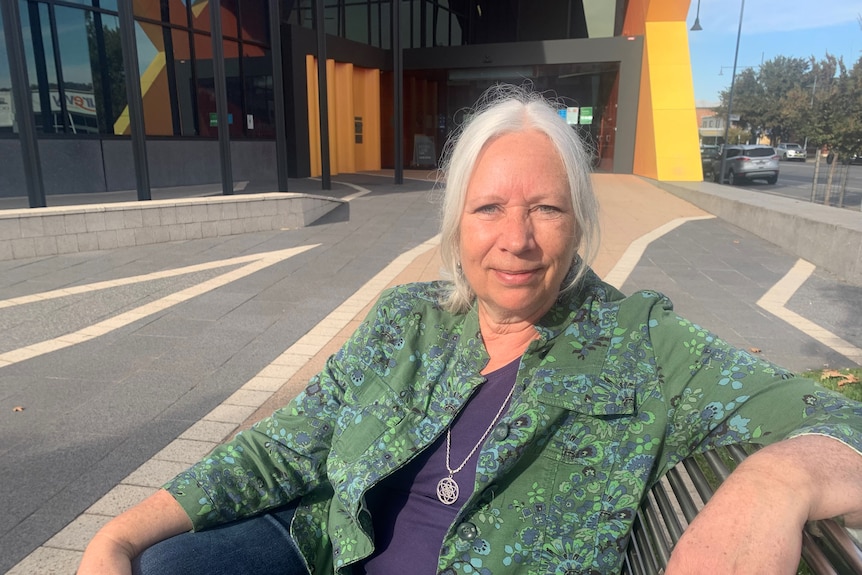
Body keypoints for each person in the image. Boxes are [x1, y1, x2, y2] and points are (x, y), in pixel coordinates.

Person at [78, 85, 862, 575]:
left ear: (580, 221)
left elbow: (844, 419)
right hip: (328, 549)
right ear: (457, 226)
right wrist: (115, 535)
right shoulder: (405, 320)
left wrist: (775, 480)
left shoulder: (641, 344)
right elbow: (287, 444)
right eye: (489, 208)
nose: (515, 239)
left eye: (546, 208)